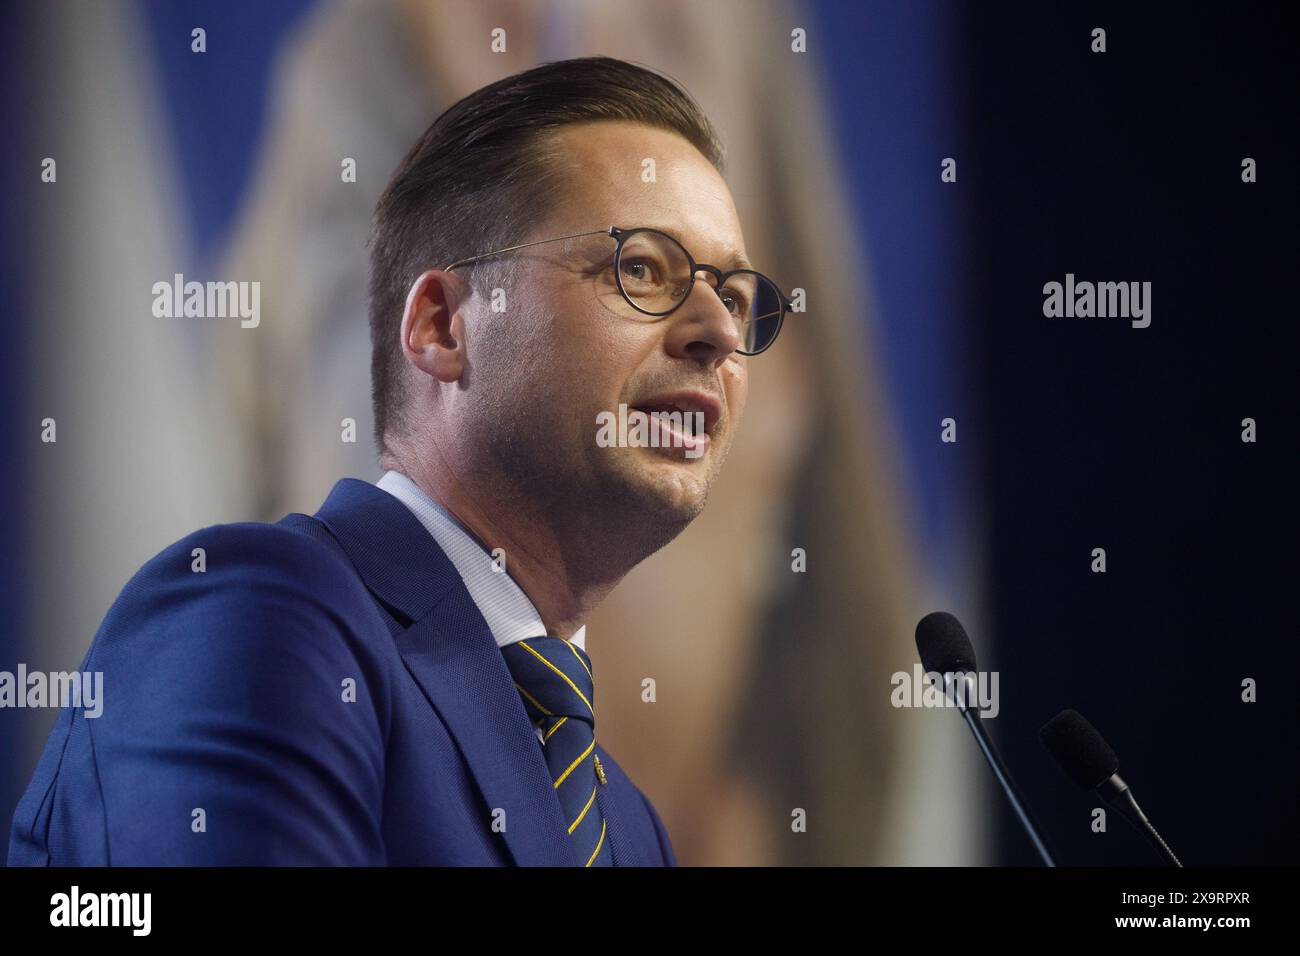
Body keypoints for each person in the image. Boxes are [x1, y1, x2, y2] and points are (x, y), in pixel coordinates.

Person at [8, 56, 795, 866]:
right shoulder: (264, 613)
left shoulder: (630, 829)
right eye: (640, 269)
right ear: (443, 327)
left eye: (734, 297)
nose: (721, 335)